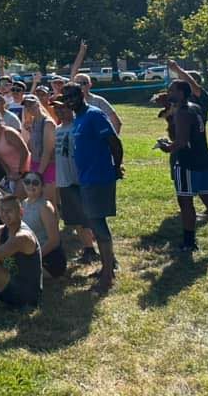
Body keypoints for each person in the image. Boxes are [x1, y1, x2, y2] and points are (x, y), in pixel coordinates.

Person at [55, 83, 124, 294]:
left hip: (98, 178)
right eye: (65, 97)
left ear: (82, 94)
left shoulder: (94, 115)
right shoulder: (78, 119)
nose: (69, 100)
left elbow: (114, 142)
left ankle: (108, 275)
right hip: (85, 179)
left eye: (73, 95)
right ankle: (107, 266)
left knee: (98, 225)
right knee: (94, 224)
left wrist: (115, 167)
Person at [158, 79, 208, 254]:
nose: (169, 93)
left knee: (186, 202)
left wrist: (166, 147)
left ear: (181, 93)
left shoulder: (182, 112)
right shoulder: (196, 108)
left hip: (188, 162)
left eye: (171, 90)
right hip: (205, 159)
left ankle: (189, 242)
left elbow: (181, 142)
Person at [53, 98, 99, 264]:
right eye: (57, 109)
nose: (59, 112)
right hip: (64, 180)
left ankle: (95, 249)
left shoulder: (78, 127)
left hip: (79, 180)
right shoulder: (58, 129)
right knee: (75, 219)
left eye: (63, 108)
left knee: (87, 217)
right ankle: (88, 249)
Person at [21, 171, 67, 277]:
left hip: (49, 259)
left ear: (42, 186)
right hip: (30, 253)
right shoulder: (23, 203)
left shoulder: (45, 207)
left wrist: (34, 257)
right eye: (27, 182)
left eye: (35, 183)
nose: (30, 185)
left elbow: (54, 241)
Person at [22, 95, 58, 207]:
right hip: (35, 164)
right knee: (36, 201)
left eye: (31, 105)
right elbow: (32, 147)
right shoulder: (33, 122)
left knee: (49, 203)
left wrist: (39, 174)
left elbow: (47, 151)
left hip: (48, 167)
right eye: (26, 106)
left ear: (38, 104)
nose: (29, 108)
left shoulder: (48, 123)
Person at [0, 110, 31, 195]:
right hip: (12, 175)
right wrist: (9, 174)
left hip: (25, 171)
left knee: (17, 199)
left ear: (2, 120)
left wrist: (20, 172)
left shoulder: (9, 132)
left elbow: (24, 151)